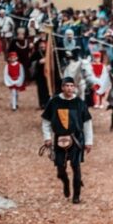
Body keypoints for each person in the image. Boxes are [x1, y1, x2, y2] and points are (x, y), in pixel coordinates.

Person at [41, 76, 93, 204]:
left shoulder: (79, 103)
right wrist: (47, 137)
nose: (69, 88)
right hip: (59, 138)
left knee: (76, 166)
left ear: (74, 87)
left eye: (71, 86)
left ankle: (76, 196)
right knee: (60, 166)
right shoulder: (54, 102)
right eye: (67, 86)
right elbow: (46, 121)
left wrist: (88, 141)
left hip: (76, 139)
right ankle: (65, 181)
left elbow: (87, 123)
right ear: (62, 87)